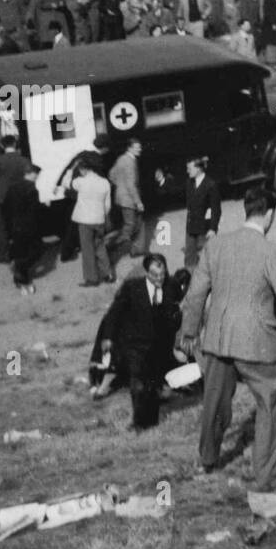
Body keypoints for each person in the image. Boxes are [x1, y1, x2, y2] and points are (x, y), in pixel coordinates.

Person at [179, 187, 276, 481]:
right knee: (266, 405)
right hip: (257, 343)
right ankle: (263, 472)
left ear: (246, 210)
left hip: (219, 339)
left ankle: (208, 460)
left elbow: (195, 295)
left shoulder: (215, 246)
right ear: (270, 215)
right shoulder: (271, 252)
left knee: (214, 404)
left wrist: (189, 332)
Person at [101, 254, 183, 431]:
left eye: (162, 274)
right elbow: (115, 312)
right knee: (138, 383)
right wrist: (108, 337)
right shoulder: (132, 288)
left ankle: (151, 421)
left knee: (152, 383)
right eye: (155, 275)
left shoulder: (172, 286)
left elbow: (178, 309)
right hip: (135, 344)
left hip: (159, 345)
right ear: (147, 273)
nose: (159, 279)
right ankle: (139, 422)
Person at [0, 135, 30, 263]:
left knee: (1, 227)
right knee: (19, 224)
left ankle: (4, 255)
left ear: (3, 146)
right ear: (15, 144)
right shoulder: (23, 160)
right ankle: (23, 250)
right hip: (18, 196)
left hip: (0, 196)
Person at [71, 158, 114, 287]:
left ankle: (92, 278)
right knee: (100, 246)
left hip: (85, 221)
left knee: (87, 249)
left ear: (82, 170)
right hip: (99, 219)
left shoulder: (80, 182)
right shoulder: (104, 182)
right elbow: (107, 205)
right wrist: (102, 216)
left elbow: (66, 182)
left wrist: (71, 169)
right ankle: (108, 274)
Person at [4, 164, 41, 295]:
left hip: (15, 225)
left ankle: (21, 280)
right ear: (32, 173)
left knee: (21, 253)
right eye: (37, 174)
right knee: (36, 251)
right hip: (28, 226)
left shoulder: (11, 188)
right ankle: (20, 275)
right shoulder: (32, 189)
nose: (38, 177)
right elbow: (34, 211)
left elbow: (6, 208)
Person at [108, 139, 146, 263]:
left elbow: (111, 174)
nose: (140, 149)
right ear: (129, 148)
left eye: (140, 147)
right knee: (130, 225)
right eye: (137, 147)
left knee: (136, 222)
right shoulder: (130, 162)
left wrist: (120, 186)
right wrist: (138, 202)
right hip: (129, 198)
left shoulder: (121, 158)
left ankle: (137, 249)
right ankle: (114, 246)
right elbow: (131, 185)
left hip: (122, 197)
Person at [184, 156, 220, 269]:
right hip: (191, 227)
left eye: (189, 168)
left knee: (207, 259)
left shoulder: (210, 185)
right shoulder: (189, 183)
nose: (187, 171)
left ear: (198, 169)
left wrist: (213, 228)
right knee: (189, 258)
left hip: (205, 228)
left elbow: (216, 209)